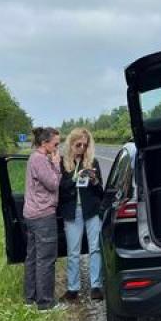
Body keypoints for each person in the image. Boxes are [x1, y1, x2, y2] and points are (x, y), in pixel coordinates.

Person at [58, 128, 105, 301]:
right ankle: (73, 289)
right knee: (73, 251)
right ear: (71, 143)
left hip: (91, 210)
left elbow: (100, 191)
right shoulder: (62, 163)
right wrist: (74, 178)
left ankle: (96, 286)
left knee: (95, 248)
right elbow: (60, 189)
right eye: (79, 145)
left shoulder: (93, 162)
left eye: (85, 145)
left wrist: (94, 180)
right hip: (72, 211)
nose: (82, 148)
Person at [23, 126, 62, 311]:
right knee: (45, 259)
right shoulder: (40, 159)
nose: (57, 148)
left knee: (32, 257)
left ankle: (30, 299)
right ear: (45, 143)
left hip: (31, 214)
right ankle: (45, 303)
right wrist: (56, 164)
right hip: (43, 215)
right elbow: (53, 184)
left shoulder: (33, 158)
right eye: (56, 144)